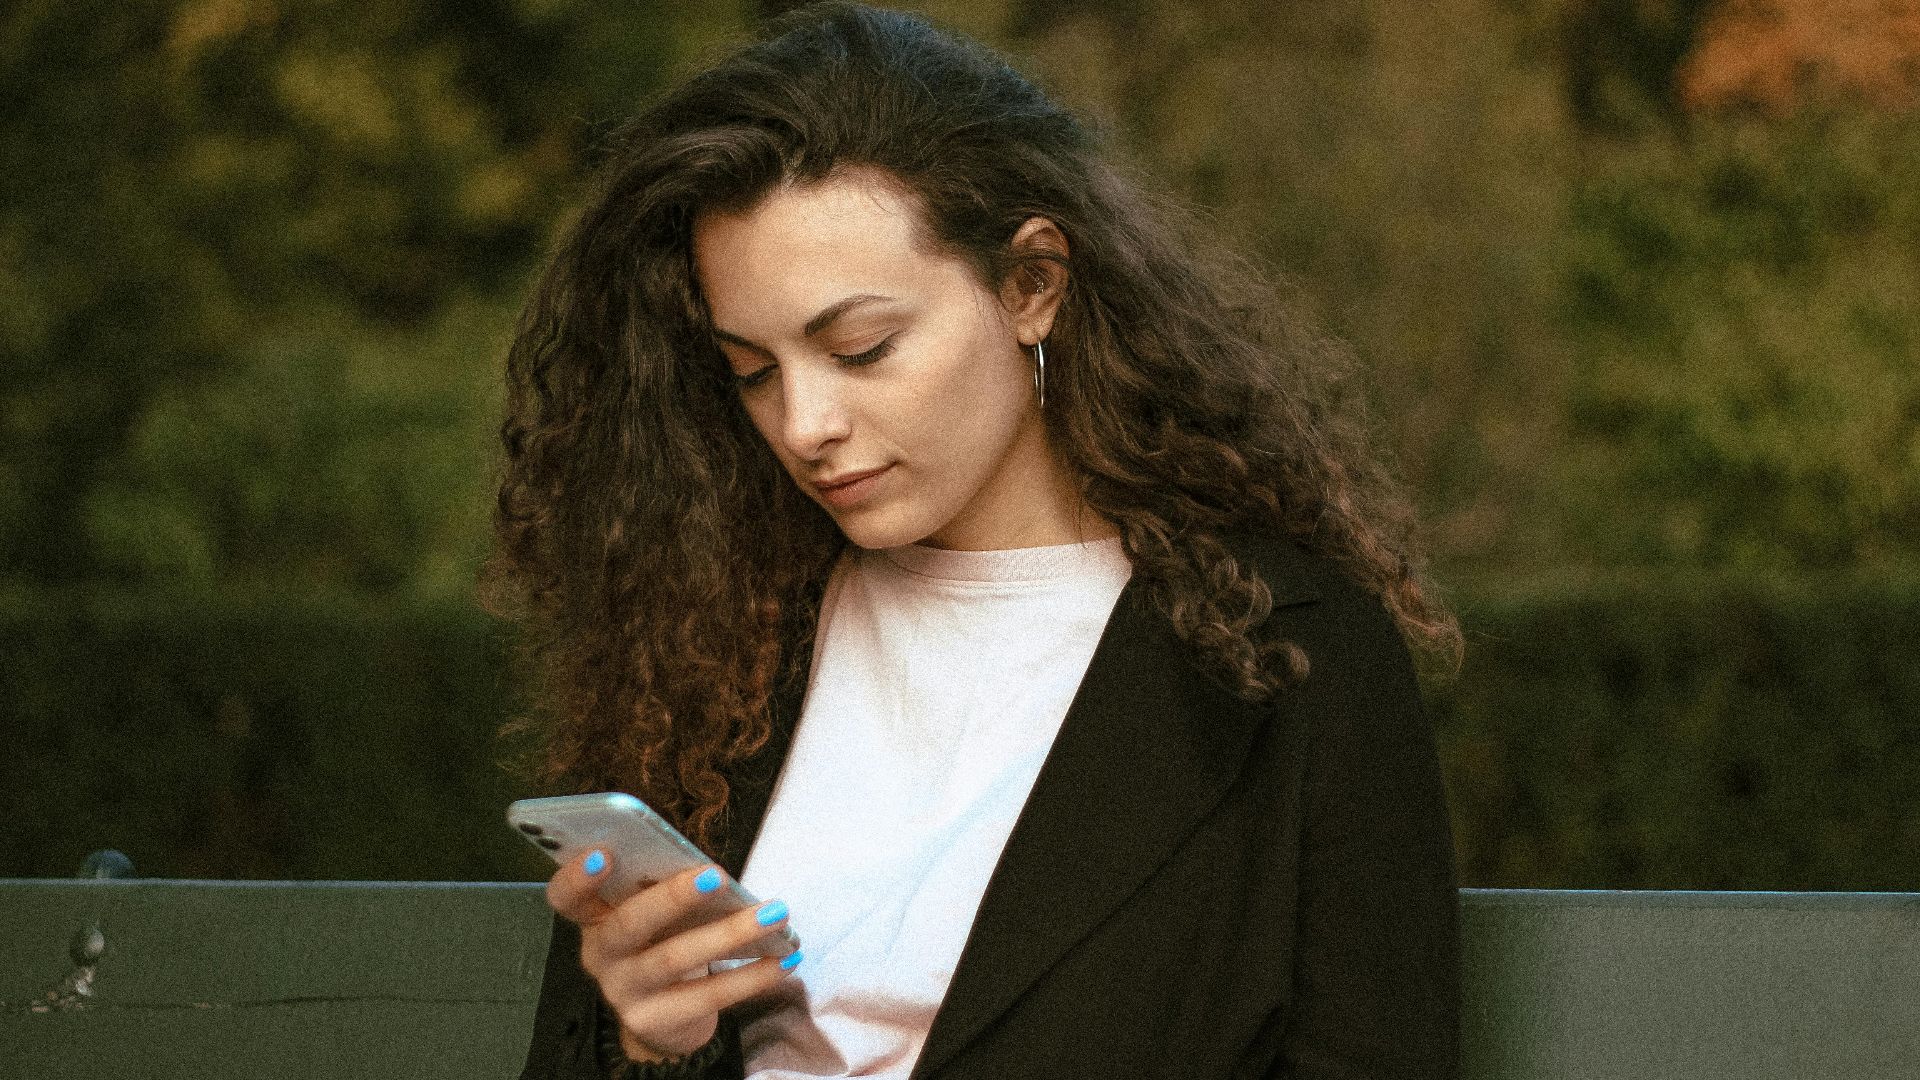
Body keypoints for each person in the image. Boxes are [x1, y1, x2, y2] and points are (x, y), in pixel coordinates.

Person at [484, 3, 1463, 1078]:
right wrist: (650, 1041)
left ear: (1032, 284)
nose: (804, 425)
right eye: (752, 372)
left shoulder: (1286, 646)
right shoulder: (716, 641)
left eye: (862, 347)